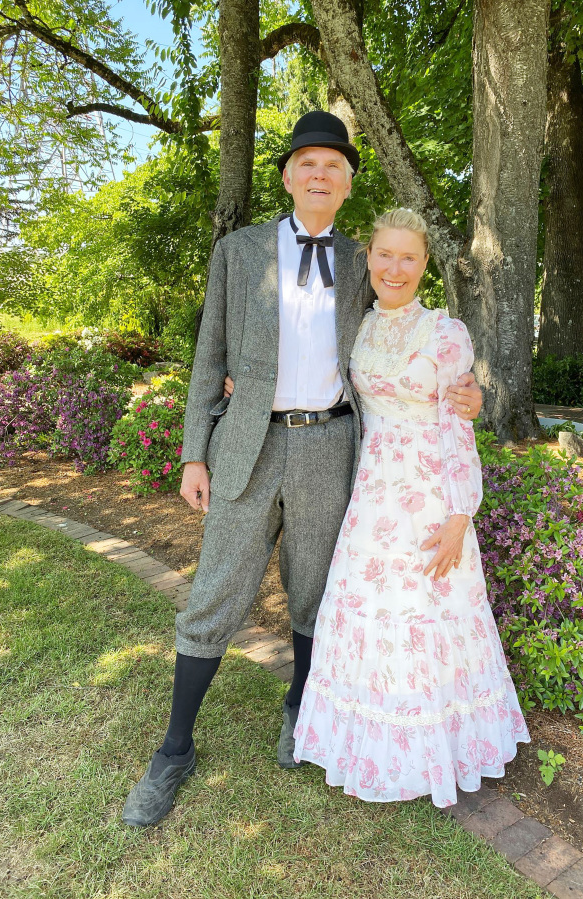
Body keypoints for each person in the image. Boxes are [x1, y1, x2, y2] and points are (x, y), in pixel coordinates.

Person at [122, 113, 482, 827]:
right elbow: (209, 357)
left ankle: (300, 710)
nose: (319, 173)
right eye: (306, 162)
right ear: (288, 175)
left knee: (318, 591)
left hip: (332, 446)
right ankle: (174, 748)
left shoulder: (366, 259)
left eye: (334, 164)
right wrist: (195, 451)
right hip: (248, 445)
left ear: (348, 183)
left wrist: (471, 390)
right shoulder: (238, 249)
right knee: (216, 589)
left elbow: (413, 340)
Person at [293, 209, 529, 807]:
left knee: (426, 619)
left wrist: (460, 516)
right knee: (371, 611)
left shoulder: (446, 334)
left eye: (409, 257)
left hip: (428, 499)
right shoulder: (359, 325)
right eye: (384, 254)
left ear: (425, 265)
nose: (395, 268)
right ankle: (367, 742)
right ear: (368, 258)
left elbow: (459, 428)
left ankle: (438, 746)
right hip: (371, 496)